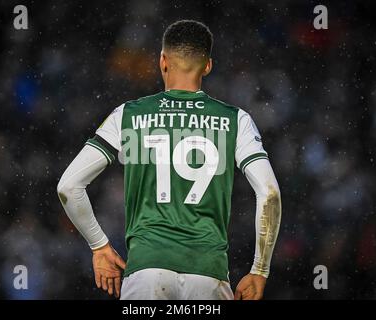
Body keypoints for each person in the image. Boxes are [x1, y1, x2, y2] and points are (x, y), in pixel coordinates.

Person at [57, 20, 281, 300]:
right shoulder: (237, 120)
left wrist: (100, 247)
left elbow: (68, 186)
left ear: (163, 61)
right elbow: (270, 193)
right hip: (207, 273)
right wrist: (259, 269)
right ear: (208, 66)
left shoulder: (127, 115)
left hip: (146, 271)